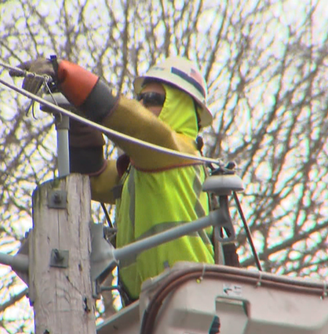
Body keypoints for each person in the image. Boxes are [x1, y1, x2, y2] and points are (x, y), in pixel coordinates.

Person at [15, 56, 229, 302]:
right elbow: (93, 178)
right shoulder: (140, 172)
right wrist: (76, 117)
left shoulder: (178, 153)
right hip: (144, 305)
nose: (141, 104)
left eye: (152, 99)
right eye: (140, 98)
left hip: (188, 293)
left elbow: (132, 123)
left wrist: (65, 74)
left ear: (180, 105)